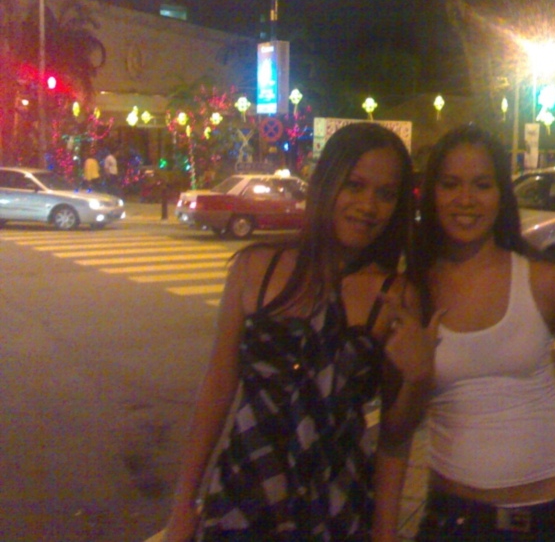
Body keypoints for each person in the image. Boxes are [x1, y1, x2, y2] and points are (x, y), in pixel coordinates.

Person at [164, 123, 438, 542]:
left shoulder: (395, 297)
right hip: (244, 495)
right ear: (327, 182)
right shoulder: (255, 267)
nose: (368, 206)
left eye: (386, 194)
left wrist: (419, 378)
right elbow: (218, 386)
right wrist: (184, 504)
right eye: (355, 185)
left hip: (336, 506)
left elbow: (394, 437)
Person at [409, 125, 555, 542]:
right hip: (454, 519)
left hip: (551, 516)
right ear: (431, 193)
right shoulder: (415, 289)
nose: (466, 199)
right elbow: (400, 425)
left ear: (501, 195)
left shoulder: (543, 279)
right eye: (450, 184)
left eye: (482, 185)